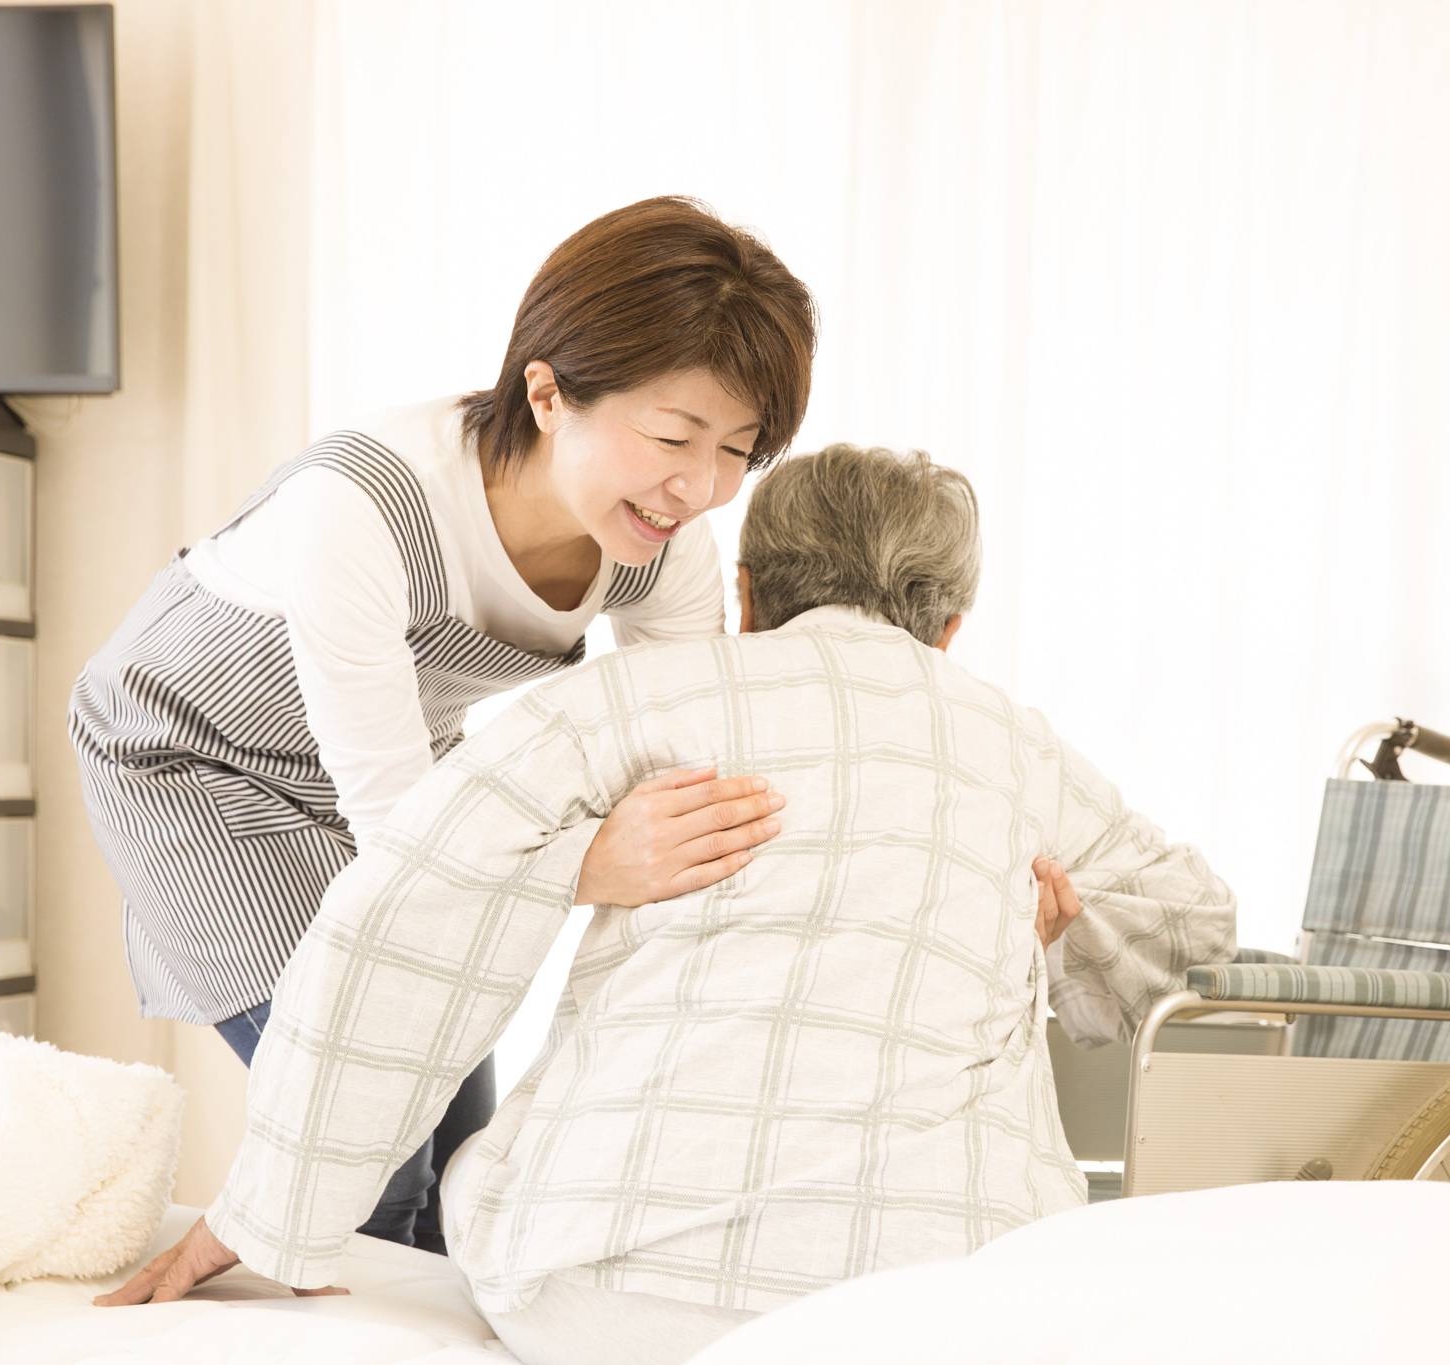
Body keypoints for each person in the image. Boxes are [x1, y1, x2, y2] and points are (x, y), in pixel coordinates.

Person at [99, 445, 1238, 1364]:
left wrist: (259, 1218)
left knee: (488, 1169)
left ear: (743, 594)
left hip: (598, 1298)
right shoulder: (1005, 737)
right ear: (949, 633)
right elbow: (1195, 929)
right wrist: (1069, 918)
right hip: (937, 1307)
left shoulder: (636, 693)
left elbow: (404, 914)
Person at [68, 197, 818, 1252]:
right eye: (671, 435)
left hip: (398, 780)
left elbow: (693, 763)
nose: (698, 486)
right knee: (371, 1134)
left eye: (739, 449)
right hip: (190, 762)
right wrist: (579, 864)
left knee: (464, 1157)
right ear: (547, 392)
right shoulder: (363, 504)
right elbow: (400, 834)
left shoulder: (660, 545)